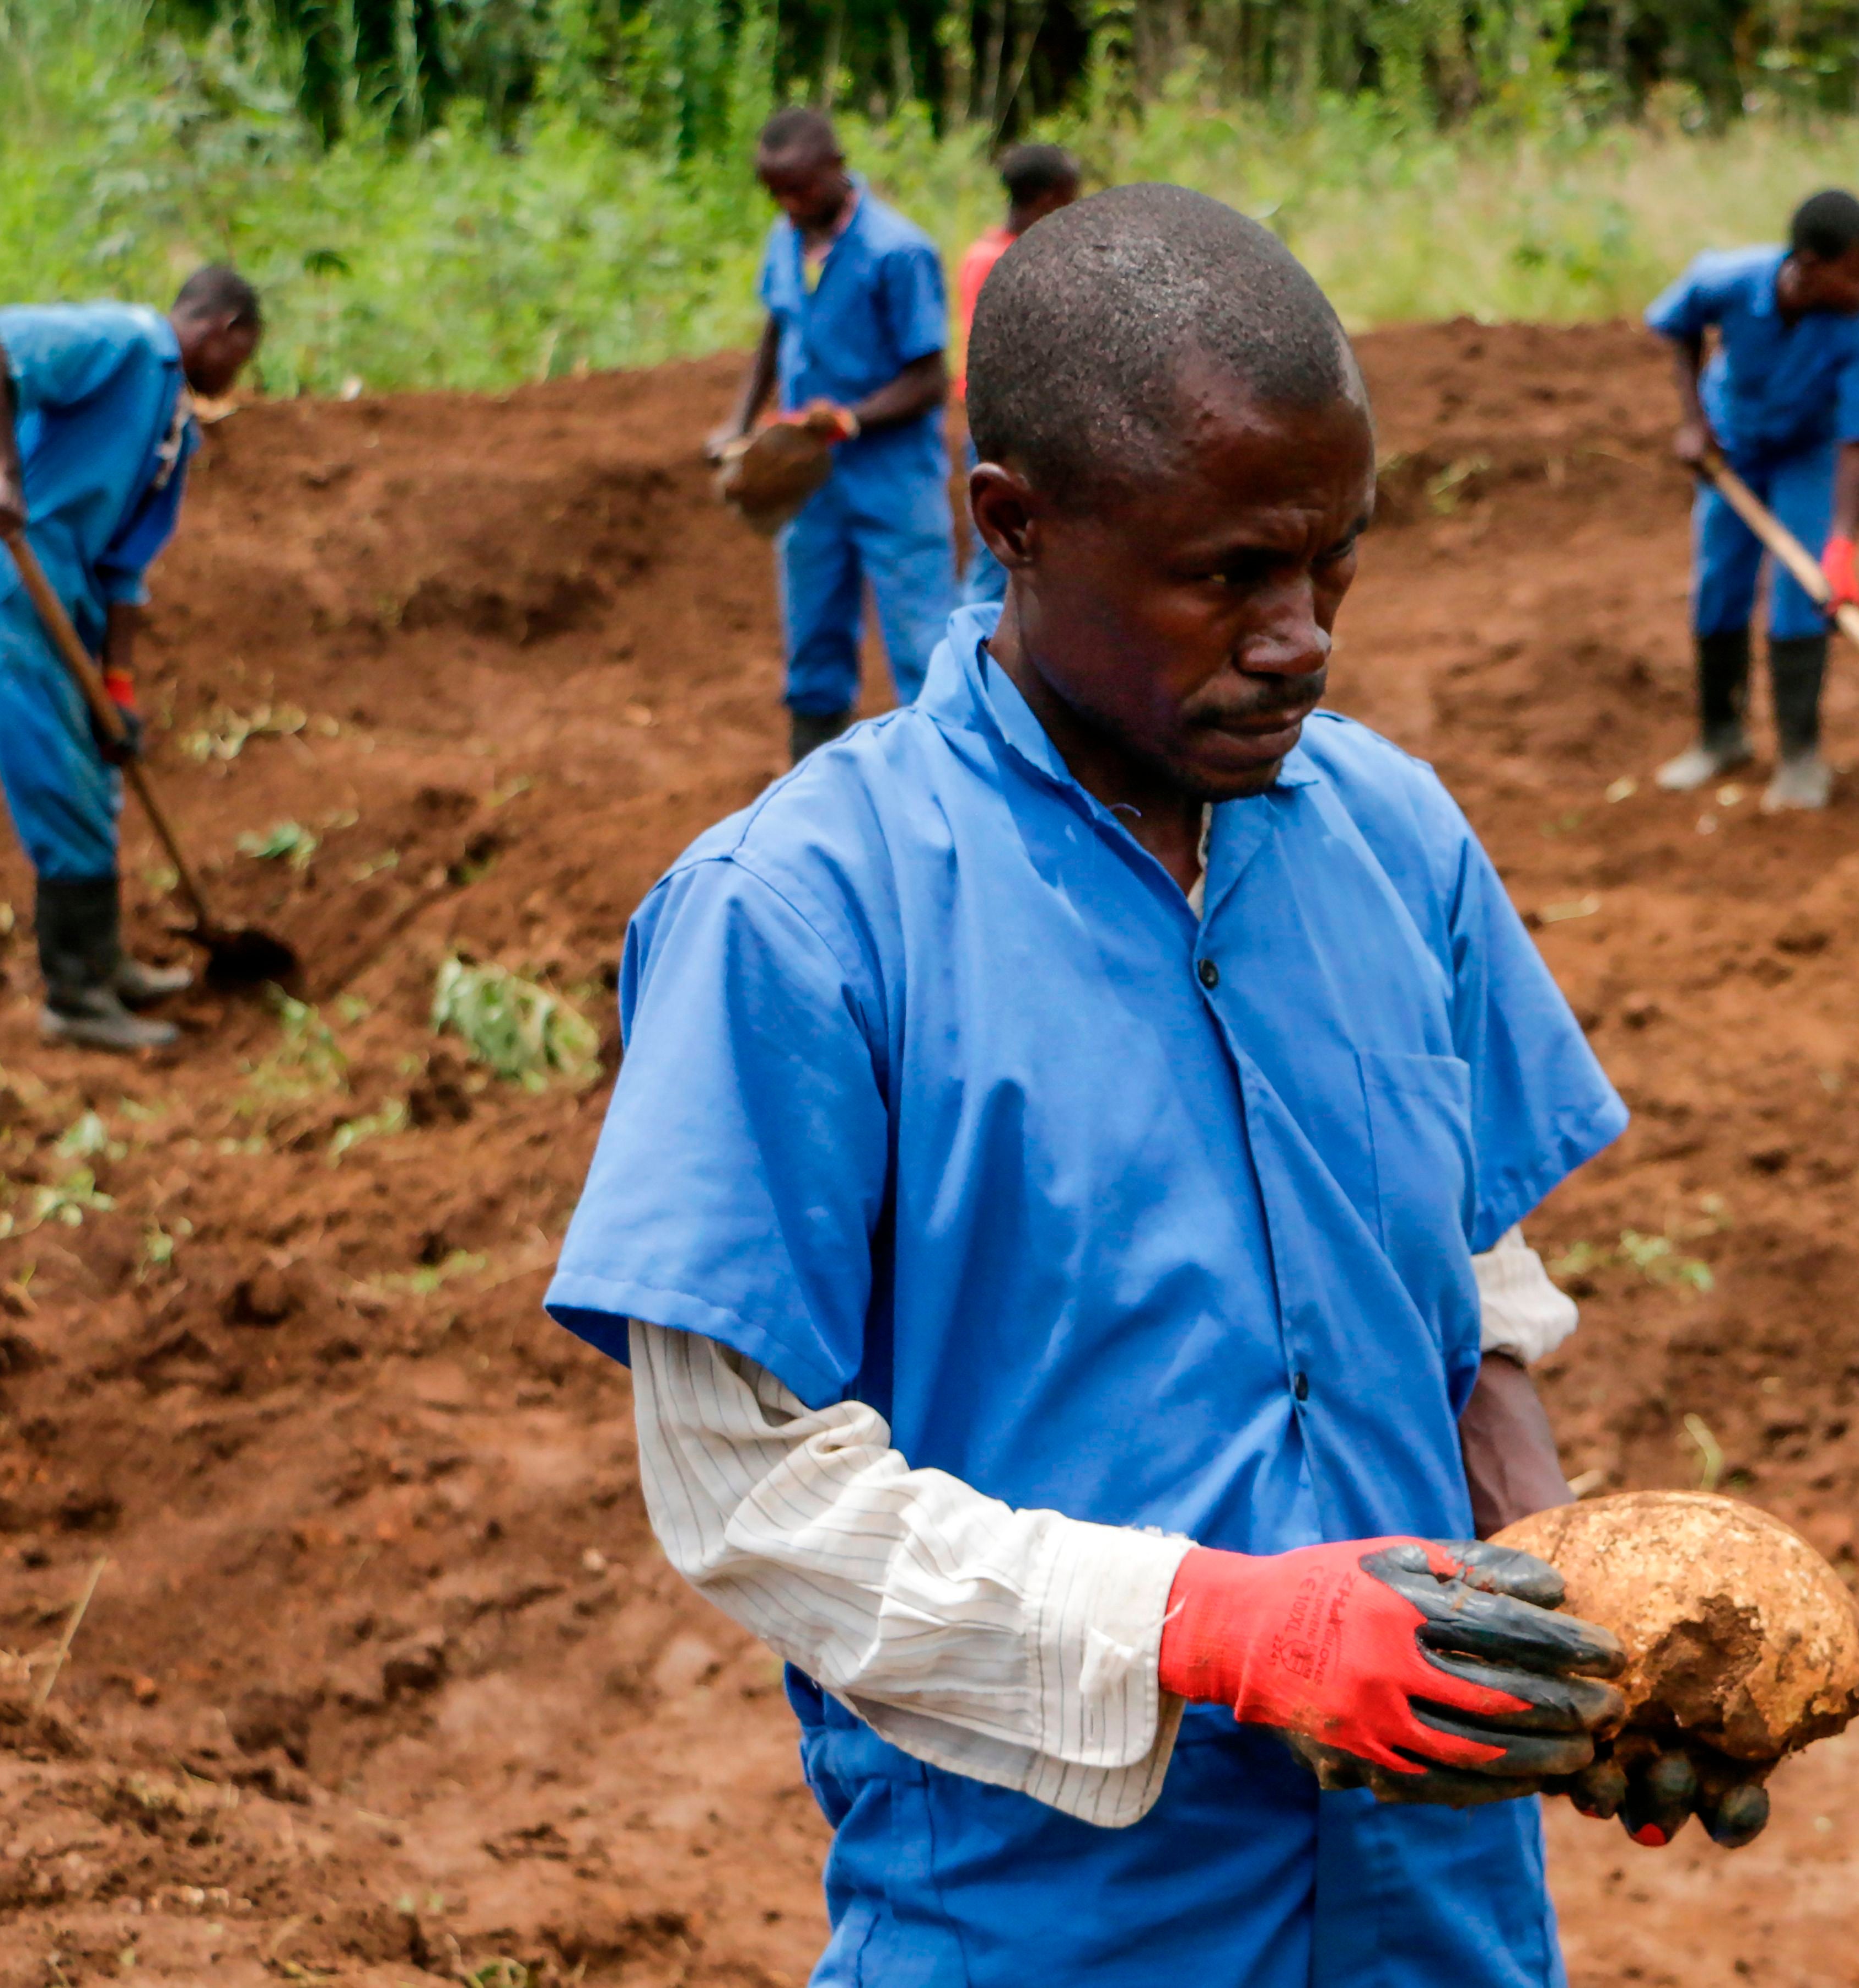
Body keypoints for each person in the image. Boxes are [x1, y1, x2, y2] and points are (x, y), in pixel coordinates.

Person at [549, 184, 1732, 1988]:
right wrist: (1217, 1624)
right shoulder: (800, 915)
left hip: (1438, 1915)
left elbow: (1464, 1284)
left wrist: (1574, 1620)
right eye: (1227, 575)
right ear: (1010, 526)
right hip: (1051, 1925)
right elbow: (746, 1486)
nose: (1300, 635)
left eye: (1330, 560)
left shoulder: (1392, 835)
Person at [0, 266, 263, 1052]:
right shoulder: (126, 340)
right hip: (12, 574)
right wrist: (8, 474)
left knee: (95, 772)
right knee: (55, 776)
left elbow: (126, 571)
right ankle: (74, 997)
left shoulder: (173, 432)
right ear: (222, 329)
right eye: (242, 357)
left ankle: (107, 963)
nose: (236, 377)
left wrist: (115, 691)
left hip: (75, 598)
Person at [1645, 191, 1859, 813]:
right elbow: (1677, 327)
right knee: (1718, 583)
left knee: (1802, 591)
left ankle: (1799, 757)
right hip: (1731, 446)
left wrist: (1841, 544)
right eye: (1854, 271)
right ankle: (1720, 738)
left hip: (1808, 454)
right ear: (1808, 266)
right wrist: (1693, 422)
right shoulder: (1729, 280)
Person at [708, 106, 953, 764]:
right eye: (775, 193)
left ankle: (948, 778)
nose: (789, 204)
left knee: (921, 638)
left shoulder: (898, 251)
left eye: (800, 188)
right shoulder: (784, 239)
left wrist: (851, 419)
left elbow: (930, 376)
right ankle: (812, 774)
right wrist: (737, 423)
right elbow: (774, 330)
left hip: (893, 477)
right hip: (808, 480)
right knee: (812, 635)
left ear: (837, 171)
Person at [954, 141, 1082, 609]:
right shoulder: (1011, 261)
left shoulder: (985, 253)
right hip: (1011, 425)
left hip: (1009, 419)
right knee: (998, 554)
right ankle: (979, 663)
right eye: (1072, 198)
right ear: (1050, 200)